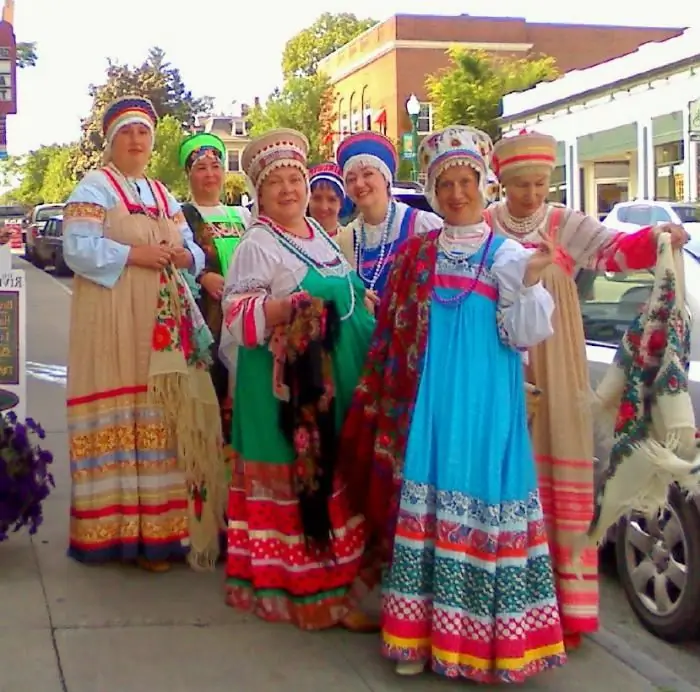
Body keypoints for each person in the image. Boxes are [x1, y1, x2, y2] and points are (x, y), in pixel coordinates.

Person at [339, 125, 566, 682]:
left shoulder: (508, 253)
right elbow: (392, 332)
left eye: (466, 182)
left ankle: (491, 645)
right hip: (427, 403)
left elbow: (524, 334)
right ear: (434, 190)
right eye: (447, 184)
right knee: (426, 503)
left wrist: (532, 282)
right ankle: (415, 637)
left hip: (486, 405)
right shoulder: (417, 251)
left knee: (481, 500)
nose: (458, 193)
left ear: (483, 185)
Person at [486, 130, 689, 649]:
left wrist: (659, 239)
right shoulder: (485, 225)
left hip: (556, 361)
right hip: (497, 359)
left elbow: (616, 251)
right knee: (505, 473)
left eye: (539, 183)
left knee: (557, 465)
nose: (531, 194)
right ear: (502, 183)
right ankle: (502, 600)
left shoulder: (563, 223)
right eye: (520, 184)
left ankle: (560, 609)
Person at [219, 128, 377, 631]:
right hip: (286, 396)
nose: (289, 189)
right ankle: (310, 592)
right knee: (305, 484)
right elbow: (237, 316)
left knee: (334, 479)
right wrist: (284, 308)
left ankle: (340, 584)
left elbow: (349, 292)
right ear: (260, 192)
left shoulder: (320, 234)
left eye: (295, 179)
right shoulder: (257, 244)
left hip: (338, 381)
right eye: (276, 182)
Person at [63, 96, 226, 573]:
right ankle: (116, 534)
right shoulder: (95, 186)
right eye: (127, 133)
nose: (136, 141)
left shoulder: (161, 193)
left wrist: (184, 258)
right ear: (111, 141)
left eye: (143, 133)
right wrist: (134, 256)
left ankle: (160, 533)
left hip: (160, 319)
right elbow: (77, 247)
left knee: (162, 409)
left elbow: (193, 247)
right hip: (112, 317)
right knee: (123, 404)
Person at [178, 132, 251, 447]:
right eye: (201, 167)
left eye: (215, 166)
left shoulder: (243, 216)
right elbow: (173, 261)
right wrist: (202, 276)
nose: (210, 174)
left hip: (245, 316)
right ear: (189, 174)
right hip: (205, 319)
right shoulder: (181, 216)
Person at [335, 131, 442, 296]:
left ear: (386, 178)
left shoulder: (423, 226)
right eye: (351, 179)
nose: (359, 184)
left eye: (368, 174)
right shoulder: (346, 239)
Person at [307, 161, 351, 236]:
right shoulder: (293, 240)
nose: (323, 207)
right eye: (317, 198)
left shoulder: (352, 240)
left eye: (332, 200)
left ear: (341, 203)